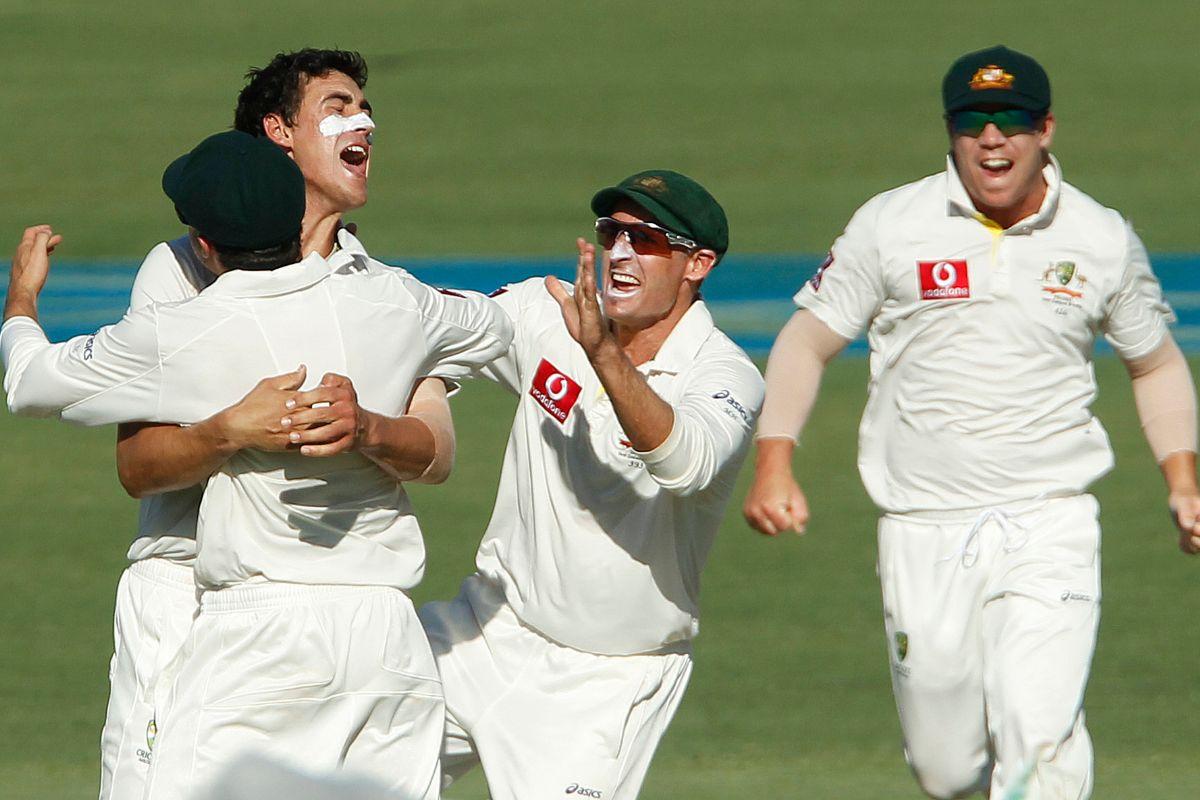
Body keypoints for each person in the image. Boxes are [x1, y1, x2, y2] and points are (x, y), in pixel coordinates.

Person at [743, 45, 1200, 799]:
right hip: (923, 524)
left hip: (1049, 519)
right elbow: (806, 340)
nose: (994, 138)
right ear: (951, 131)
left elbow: (1154, 363)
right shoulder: (892, 223)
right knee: (945, 767)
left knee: (1038, 733)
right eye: (974, 120)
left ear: (1046, 128)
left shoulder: (1100, 236)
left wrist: (1182, 481)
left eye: (1013, 120)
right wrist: (774, 462)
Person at [2, 131, 513, 800]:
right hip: (387, 640)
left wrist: (22, 299)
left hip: (258, 638)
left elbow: (30, 382)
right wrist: (406, 384)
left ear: (205, 248)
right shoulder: (397, 301)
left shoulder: (189, 330)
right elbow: (490, 330)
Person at [98, 49, 455, 800]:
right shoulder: (185, 267)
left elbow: (437, 450)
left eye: (366, 108)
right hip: (191, 594)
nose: (365, 123)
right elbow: (138, 467)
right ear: (278, 132)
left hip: (344, 608)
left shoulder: (383, 292)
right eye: (338, 106)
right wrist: (229, 430)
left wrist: (369, 431)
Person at [419, 170, 765, 799]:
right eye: (613, 233)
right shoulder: (546, 313)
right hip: (484, 631)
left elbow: (685, 465)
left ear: (699, 263)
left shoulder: (726, 376)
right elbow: (437, 324)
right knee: (325, 757)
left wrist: (603, 354)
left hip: (601, 686)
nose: (622, 253)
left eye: (648, 239)